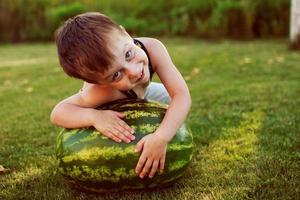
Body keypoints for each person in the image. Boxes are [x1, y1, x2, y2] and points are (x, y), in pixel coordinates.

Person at [50, 12, 191, 179]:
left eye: (128, 54)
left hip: (144, 92)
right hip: (118, 98)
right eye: (116, 75)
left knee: (171, 102)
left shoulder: (153, 48)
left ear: (126, 34)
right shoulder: (99, 92)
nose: (133, 72)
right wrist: (94, 117)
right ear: (101, 83)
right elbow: (58, 113)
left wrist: (161, 137)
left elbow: (181, 95)